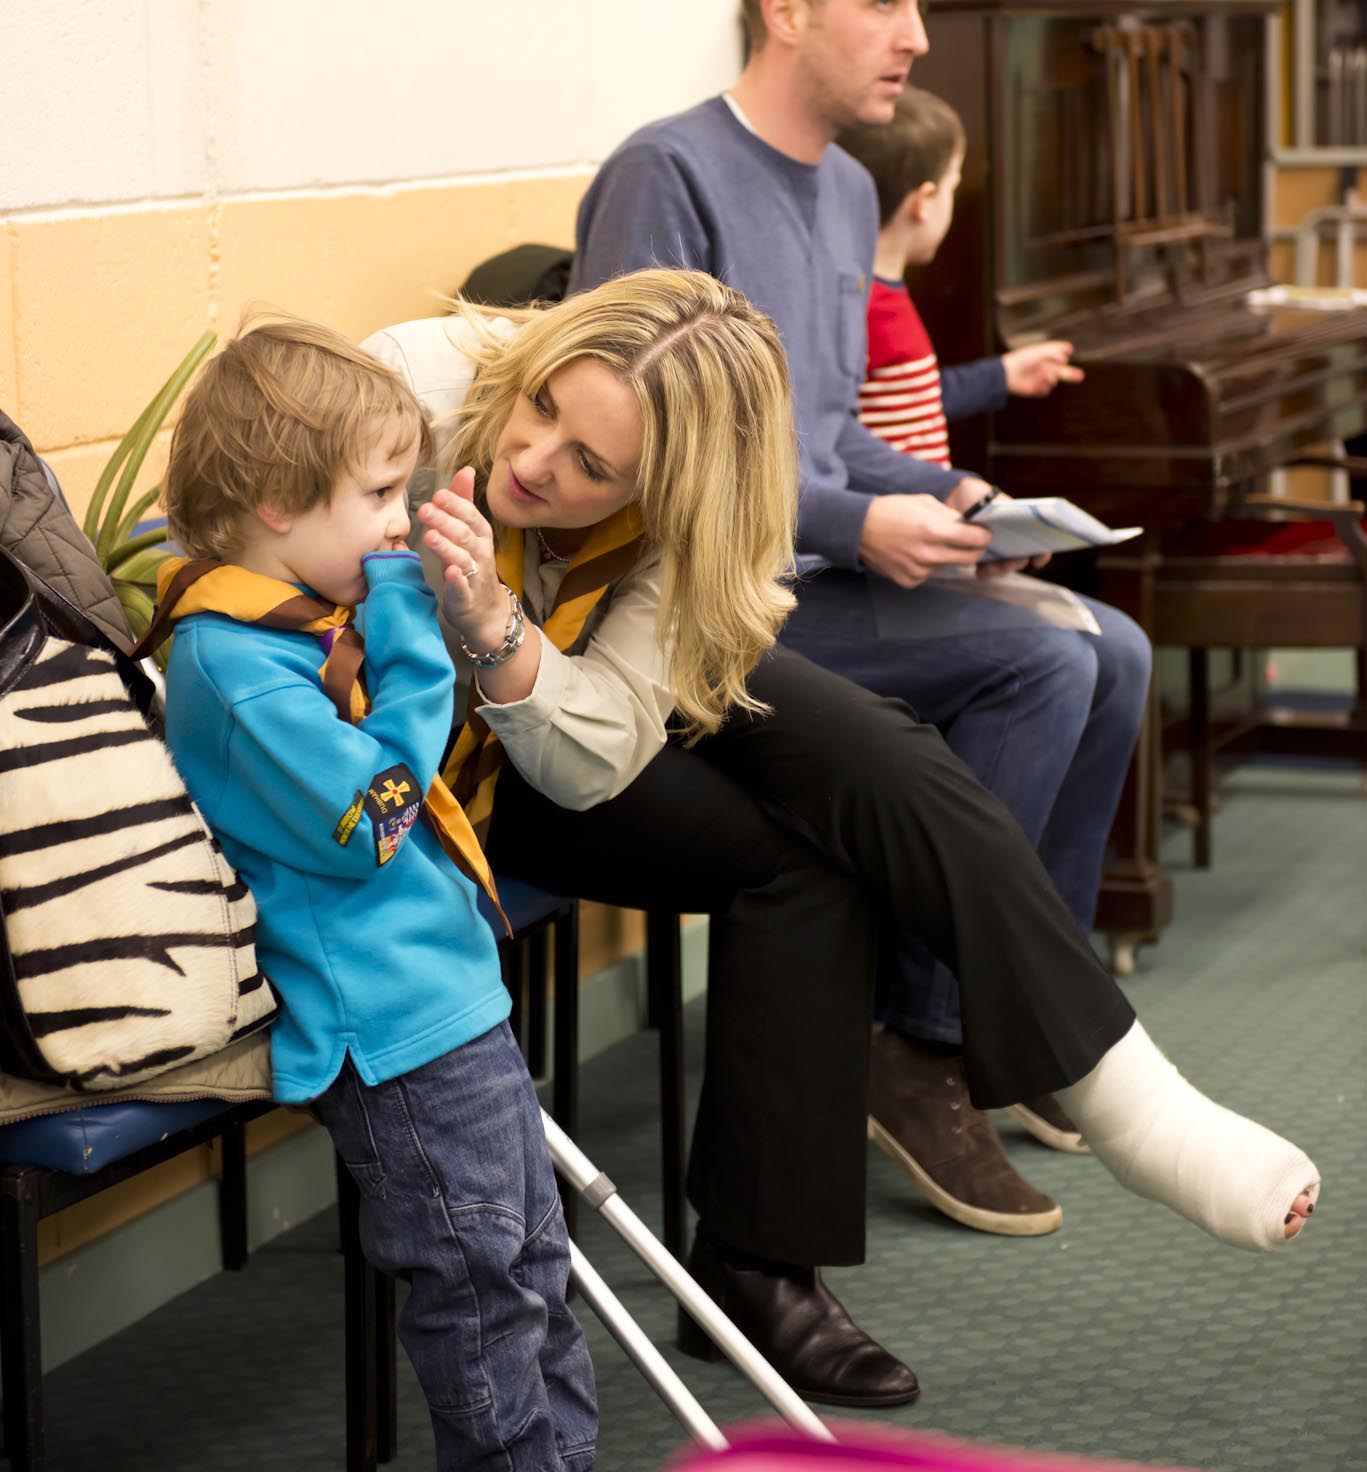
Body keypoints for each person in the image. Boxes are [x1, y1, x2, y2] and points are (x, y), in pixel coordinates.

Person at [367, 269, 1318, 1417]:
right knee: (816, 839)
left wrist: (498, 626)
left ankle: (774, 1249)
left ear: (665, 487)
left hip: (560, 703)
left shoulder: (685, 523)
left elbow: (601, 735)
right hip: (432, 770)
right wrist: (469, 617)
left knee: (862, 765)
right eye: (544, 411)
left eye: (591, 469)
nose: (536, 461)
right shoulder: (417, 381)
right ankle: (1077, 1108)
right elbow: (245, 514)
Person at [570, 0, 1153, 1237]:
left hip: (807, 574)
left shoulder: (843, 184)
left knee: (1106, 646)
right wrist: (854, 526)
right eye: (884, 3)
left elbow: (822, 424)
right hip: (691, 611)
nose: (916, 38)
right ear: (783, 11)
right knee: (1036, 656)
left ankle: (1013, 1032)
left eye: (919, 6)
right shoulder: (663, 173)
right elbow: (641, 444)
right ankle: (918, 1043)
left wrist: (947, 489)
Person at [140, 320, 597, 1472]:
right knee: (481, 1289)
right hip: (391, 1033)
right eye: (382, 491)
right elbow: (378, 817)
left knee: (534, 1266)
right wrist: (410, 626)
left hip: (444, 994)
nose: (402, 518)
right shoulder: (235, 665)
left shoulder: (297, 626)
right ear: (279, 503)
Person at [836, 86, 1083, 465]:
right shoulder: (860, 307)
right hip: (898, 520)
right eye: (954, 185)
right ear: (924, 201)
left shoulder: (878, 294)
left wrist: (1000, 375)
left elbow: (912, 400)